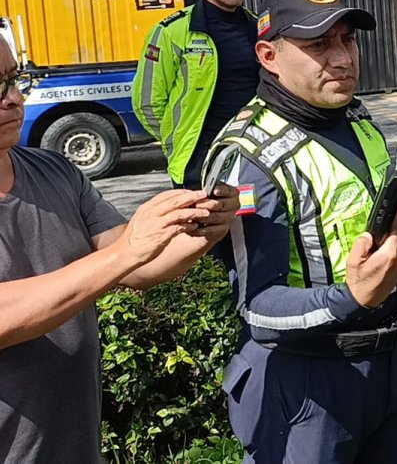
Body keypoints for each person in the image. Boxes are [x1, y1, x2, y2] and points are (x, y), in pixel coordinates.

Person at [203, 0, 397, 463]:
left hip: (391, 369)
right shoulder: (249, 156)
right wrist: (350, 300)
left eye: (347, 39)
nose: (342, 58)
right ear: (268, 56)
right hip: (307, 384)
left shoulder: (358, 117)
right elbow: (257, 305)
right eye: (318, 44)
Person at [0, 39, 240, 463]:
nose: (14, 99)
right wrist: (127, 252)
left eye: (14, 80)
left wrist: (200, 231)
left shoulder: (53, 170)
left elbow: (134, 267)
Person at [133, 0, 259, 189]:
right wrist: (177, 140)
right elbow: (147, 102)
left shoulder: (259, 28)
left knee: (257, 228)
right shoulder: (173, 31)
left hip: (254, 156)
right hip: (198, 162)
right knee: (207, 228)